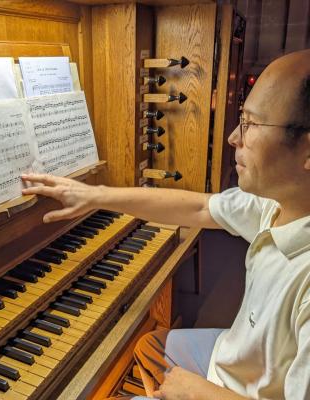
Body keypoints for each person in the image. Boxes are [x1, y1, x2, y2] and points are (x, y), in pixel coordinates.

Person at [21, 49, 310, 400]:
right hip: (241, 360)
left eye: (250, 123)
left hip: (244, 390)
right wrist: (94, 194)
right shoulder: (281, 203)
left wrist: (199, 393)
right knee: (149, 347)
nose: (234, 136)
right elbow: (200, 207)